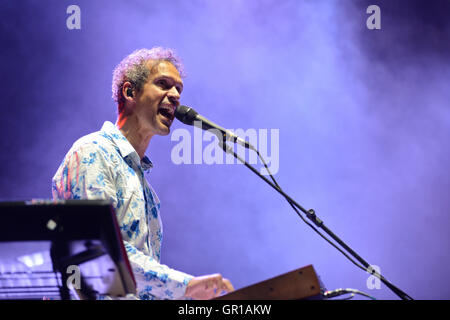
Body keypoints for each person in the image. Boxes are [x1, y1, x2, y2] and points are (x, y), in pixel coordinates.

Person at [52, 47, 234, 300]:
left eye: (179, 89)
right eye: (163, 84)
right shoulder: (92, 153)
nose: (175, 96)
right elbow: (95, 249)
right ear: (130, 92)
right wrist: (185, 285)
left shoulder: (144, 186)